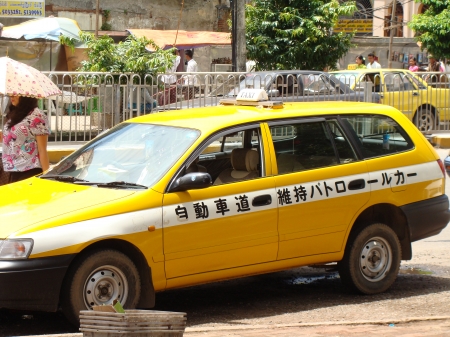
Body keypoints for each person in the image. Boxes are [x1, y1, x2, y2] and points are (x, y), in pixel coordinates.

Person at [1, 95, 50, 183]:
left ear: (27, 95)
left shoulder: (37, 115)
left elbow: (42, 150)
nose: (12, 95)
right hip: (12, 170)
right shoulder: (15, 113)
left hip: (29, 170)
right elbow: (9, 139)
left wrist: (47, 177)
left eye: (17, 93)